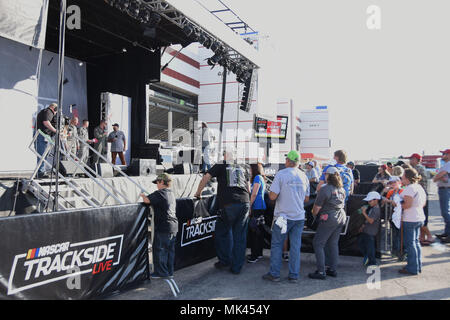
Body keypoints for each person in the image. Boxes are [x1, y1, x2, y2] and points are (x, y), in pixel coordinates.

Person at [194, 147, 250, 274]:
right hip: (244, 202)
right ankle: (237, 267)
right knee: (240, 236)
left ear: (225, 155)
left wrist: (198, 193)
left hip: (229, 203)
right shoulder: (243, 166)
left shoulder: (221, 164)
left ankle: (225, 261)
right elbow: (248, 186)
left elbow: (205, 178)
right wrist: (249, 204)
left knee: (221, 232)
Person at [262, 150, 310, 283]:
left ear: (289, 161)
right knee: (295, 247)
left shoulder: (281, 174)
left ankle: (274, 274)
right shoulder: (304, 176)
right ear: (298, 162)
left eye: (286, 159)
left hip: (283, 217)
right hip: (298, 217)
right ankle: (294, 275)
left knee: (277, 245)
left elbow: (272, 196)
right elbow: (306, 199)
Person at [308, 166, 347, 280]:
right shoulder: (342, 189)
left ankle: (321, 271)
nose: (324, 176)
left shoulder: (325, 189)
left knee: (318, 243)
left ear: (328, 176)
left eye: (325, 174)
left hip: (329, 218)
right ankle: (332, 269)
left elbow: (316, 209)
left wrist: (314, 214)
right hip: (340, 217)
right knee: (333, 244)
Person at [140, 173, 178, 279]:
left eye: (157, 182)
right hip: (173, 226)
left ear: (162, 182)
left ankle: (161, 273)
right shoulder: (171, 193)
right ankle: (169, 272)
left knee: (160, 249)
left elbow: (147, 200)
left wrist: (142, 195)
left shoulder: (160, 193)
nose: (156, 185)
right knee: (170, 251)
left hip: (164, 226)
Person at [399, 168, 427, 275]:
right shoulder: (419, 187)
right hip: (419, 217)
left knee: (410, 244)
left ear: (407, 177)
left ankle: (412, 268)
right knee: (415, 243)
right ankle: (417, 266)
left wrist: (397, 204)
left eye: (403, 176)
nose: (401, 177)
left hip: (410, 219)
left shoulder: (409, 188)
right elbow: (423, 204)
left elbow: (407, 205)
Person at [408, 153, 433, 245]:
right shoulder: (419, 167)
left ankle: (429, 236)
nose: (410, 161)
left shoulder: (418, 168)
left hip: (420, 194)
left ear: (417, 159)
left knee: (421, 216)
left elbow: (411, 178)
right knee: (421, 215)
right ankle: (422, 237)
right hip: (420, 193)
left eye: (412, 159)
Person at [247, 163, 267, 263]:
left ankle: (255, 255)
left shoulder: (257, 178)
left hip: (257, 207)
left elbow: (254, 194)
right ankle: (258, 253)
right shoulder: (259, 177)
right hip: (260, 207)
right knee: (259, 231)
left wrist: (249, 207)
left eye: (250, 169)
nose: (249, 171)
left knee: (254, 231)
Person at [383, 176, 405, 260]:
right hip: (393, 216)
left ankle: (402, 253)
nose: (393, 184)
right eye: (391, 183)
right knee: (394, 235)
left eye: (394, 183)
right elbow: (385, 200)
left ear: (399, 182)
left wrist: (389, 201)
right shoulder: (390, 192)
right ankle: (395, 251)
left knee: (400, 236)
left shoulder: (403, 191)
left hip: (401, 217)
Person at [358, 191, 381, 266]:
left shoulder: (376, 209)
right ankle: (368, 257)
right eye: (368, 201)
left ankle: (372, 262)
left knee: (370, 247)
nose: (369, 202)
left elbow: (371, 221)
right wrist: (363, 226)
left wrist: (364, 213)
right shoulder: (373, 208)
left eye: (370, 200)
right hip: (367, 230)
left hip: (371, 232)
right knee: (361, 244)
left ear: (376, 200)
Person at [35, 103, 58, 178]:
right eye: (56, 110)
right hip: (42, 135)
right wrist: (55, 130)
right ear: (53, 108)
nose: (56, 112)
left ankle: (41, 171)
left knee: (44, 155)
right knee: (42, 154)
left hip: (44, 135)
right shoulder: (48, 111)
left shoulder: (46, 112)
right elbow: (46, 122)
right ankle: (40, 172)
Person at [432, 149, 450, 243]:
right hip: (444, 188)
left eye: (444, 154)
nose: (442, 155)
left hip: (446, 189)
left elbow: (440, 174)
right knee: (445, 211)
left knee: (446, 212)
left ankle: (449, 234)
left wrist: (436, 177)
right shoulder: (446, 164)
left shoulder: (448, 164)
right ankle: (447, 232)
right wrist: (437, 177)